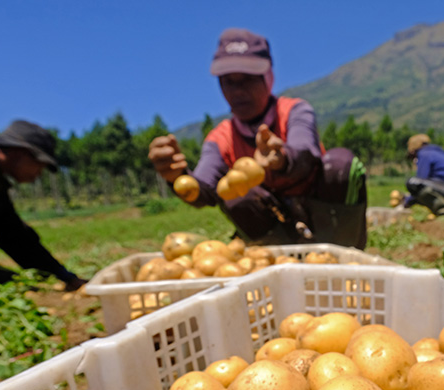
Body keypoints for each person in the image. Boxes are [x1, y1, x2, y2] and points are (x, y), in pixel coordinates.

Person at [148, 28, 367, 249]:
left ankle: (344, 252)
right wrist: (177, 175)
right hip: (275, 224)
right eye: (228, 82)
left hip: (319, 212)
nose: (238, 91)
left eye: (248, 79)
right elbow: (204, 187)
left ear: (268, 77)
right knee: (235, 193)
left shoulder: (294, 111)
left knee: (341, 165)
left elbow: (306, 151)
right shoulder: (220, 138)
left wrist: (282, 158)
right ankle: (276, 258)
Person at [0, 120, 87, 291]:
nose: (38, 174)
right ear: (22, 152)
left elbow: (17, 238)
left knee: (13, 287)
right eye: (40, 166)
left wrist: (66, 277)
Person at [391, 134, 444, 216]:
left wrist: (406, 202)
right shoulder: (435, 153)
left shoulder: (424, 154)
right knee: (421, 187)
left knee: (413, 183)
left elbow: (421, 180)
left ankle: (442, 209)